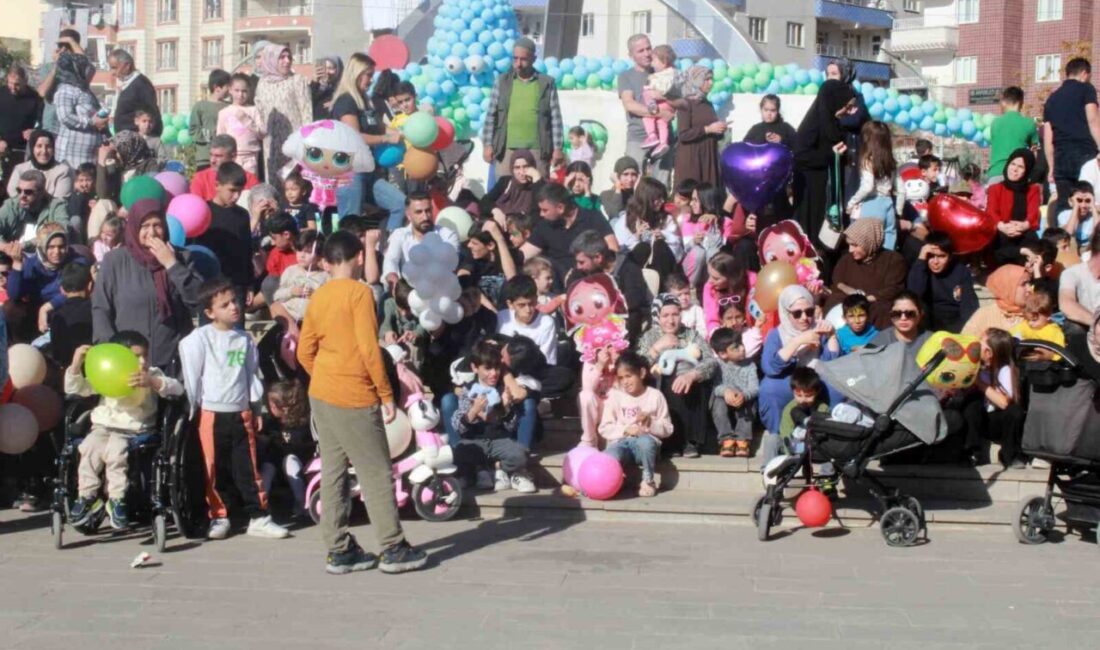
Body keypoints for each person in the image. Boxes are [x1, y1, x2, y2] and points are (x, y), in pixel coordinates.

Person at [296, 230, 428, 575]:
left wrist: (325, 375)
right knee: (376, 471)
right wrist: (385, 393)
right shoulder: (359, 293)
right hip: (354, 394)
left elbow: (304, 351)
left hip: (322, 393)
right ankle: (392, 546)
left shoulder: (319, 296)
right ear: (358, 257)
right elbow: (369, 349)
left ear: (328, 261)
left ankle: (339, 548)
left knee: (334, 470)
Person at [180, 278, 288, 540]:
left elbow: (251, 375)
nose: (233, 307)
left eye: (234, 301)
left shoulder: (244, 340)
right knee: (214, 468)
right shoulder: (200, 339)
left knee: (247, 467)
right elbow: (192, 376)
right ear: (210, 312)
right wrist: (194, 409)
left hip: (241, 412)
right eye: (224, 305)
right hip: (212, 413)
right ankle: (219, 515)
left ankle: (258, 516)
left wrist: (256, 407)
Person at [64, 332, 183, 530]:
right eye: (136, 357)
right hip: (103, 427)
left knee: (115, 452)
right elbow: (76, 389)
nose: (142, 361)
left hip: (133, 430)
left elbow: (177, 389)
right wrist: (76, 365)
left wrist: (153, 382)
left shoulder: (151, 374)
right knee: (89, 447)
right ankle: (87, 496)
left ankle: (116, 499)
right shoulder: (107, 371)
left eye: (145, 355)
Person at [92, 199, 203, 369]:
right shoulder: (115, 261)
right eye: (145, 226)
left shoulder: (181, 257)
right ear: (134, 227)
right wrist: (110, 351)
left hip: (172, 360)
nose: (152, 233)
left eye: (157, 225)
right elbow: (101, 308)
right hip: (128, 360)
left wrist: (171, 264)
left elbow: (197, 298)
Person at [330, 53, 406, 229]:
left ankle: (388, 245)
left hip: (369, 170)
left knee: (401, 204)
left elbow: (380, 127)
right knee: (351, 222)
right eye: (369, 75)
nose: (372, 80)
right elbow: (354, 136)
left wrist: (402, 133)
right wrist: (386, 139)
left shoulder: (365, 101)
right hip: (350, 171)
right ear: (356, 74)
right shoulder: (346, 101)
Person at [637, 293, 718, 458]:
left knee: (690, 377)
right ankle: (671, 442)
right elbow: (637, 368)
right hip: (660, 387)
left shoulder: (691, 335)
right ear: (657, 316)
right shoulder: (649, 336)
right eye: (665, 315)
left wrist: (692, 375)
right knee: (668, 378)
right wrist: (656, 349)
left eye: (675, 314)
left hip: (689, 390)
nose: (671, 320)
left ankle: (690, 441)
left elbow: (711, 361)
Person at [759, 285, 840, 447]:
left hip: (815, 378)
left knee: (836, 386)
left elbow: (832, 362)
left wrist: (831, 335)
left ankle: (831, 435)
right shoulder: (777, 334)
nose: (804, 318)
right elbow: (770, 367)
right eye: (797, 313)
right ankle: (780, 437)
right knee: (769, 388)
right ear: (786, 313)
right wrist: (798, 342)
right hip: (790, 379)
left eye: (809, 312)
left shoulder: (820, 327)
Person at [452, 339, 537, 493]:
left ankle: (499, 468)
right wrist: (473, 412)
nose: (494, 373)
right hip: (476, 440)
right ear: (475, 368)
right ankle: (479, 470)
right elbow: (458, 425)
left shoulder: (503, 390)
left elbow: (511, 426)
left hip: (499, 440)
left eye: (497, 368)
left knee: (520, 454)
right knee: (459, 452)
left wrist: (506, 408)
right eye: (488, 368)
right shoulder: (468, 391)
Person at [482, 37, 563, 178]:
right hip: (506, 149)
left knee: (538, 188)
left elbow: (555, 119)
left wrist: (557, 148)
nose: (518, 64)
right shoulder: (501, 82)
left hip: (537, 150)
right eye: (515, 58)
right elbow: (491, 116)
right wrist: (487, 145)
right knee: (504, 189)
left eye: (523, 59)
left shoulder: (546, 83)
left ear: (534, 59)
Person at [793, 79, 859, 252]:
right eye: (846, 106)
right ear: (834, 101)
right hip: (812, 193)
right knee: (815, 240)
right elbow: (800, 156)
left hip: (831, 191)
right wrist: (831, 154)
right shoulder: (811, 126)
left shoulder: (837, 125)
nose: (849, 111)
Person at [598, 351, 672, 496]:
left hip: (645, 447)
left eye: (629, 376)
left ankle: (648, 480)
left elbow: (668, 428)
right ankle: (614, 480)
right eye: (621, 378)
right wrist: (626, 430)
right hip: (621, 443)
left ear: (642, 373)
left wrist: (650, 423)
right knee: (610, 454)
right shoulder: (615, 396)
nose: (625, 382)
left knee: (646, 442)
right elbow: (604, 428)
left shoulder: (655, 396)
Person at [521, 183, 616, 284]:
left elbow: (613, 249)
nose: (541, 214)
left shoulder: (593, 218)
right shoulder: (545, 226)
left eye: (545, 210)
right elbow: (524, 255)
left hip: (591, 281)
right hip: (557, 285)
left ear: (560, 208)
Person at [823, 218, 907, 330]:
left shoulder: (892, 260)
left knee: (881, 310)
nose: (850, 250)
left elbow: (893, 289)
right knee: (833, 300)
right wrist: (850, 292)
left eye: (855, 245)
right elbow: (837, 281)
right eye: (849, 245)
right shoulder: (847, 260)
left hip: (875, 303)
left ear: (869, 242)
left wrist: (865, 299)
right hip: (849, 300)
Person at [5, 223, 88, 332]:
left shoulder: (76, 261)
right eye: (51, 247)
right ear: (42, 248)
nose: (57, 252)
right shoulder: (33, 265)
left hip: (65, 311)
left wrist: (47, 307)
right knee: (10, 308)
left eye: (61, 247)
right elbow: (14, 294)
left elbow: (75, 291)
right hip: (35, 314)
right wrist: (17, 263)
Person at [571, 230, 650, 345]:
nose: (578, 267)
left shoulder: (628, 269)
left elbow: (633, 303)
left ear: (598, 257)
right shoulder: (585, 271)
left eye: (582, 262)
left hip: (625, 323)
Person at [1042, 58, 1100, 213]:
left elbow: (1048, 138)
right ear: (1084, 74)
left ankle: (1063, 228)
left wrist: (1051, 166)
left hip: (1061, 157)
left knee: (1064, 204)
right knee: (1087, 202)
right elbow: (1093, 120)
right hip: (1084, 153)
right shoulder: (1087, 89)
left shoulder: (1051, 99)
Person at [196, 163, 254, 310]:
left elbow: (247, 251)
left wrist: (249, 284)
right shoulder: (203, 212)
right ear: (217, 185)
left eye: (240, 191)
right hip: (209, 287)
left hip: (236, 286)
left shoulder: (242, 215)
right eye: (232, 190)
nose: (236, 196)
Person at [963, 328, 1025, 468]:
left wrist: (980, 383)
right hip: (981, 419)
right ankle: (973, 452)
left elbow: (1003, 403)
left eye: (981, 343)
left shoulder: (1005, 371)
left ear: (989, 353)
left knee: (1014, 411)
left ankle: (1010, 455)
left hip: (998, 421)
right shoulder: (974, 366)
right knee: (972, 406)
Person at [253, 43, 313, 185]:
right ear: (271, 59)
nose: (287, 61)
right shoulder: (262, 83)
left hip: (294, 144)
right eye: (282, 57)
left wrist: (306, 143)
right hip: (271, 145)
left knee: (294, 186)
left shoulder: (298, 80)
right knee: (273, 186)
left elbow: (306, 113)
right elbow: (260, 112)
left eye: (289, 57)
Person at [618, 34, 673, 185]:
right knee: (632, 182)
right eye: (641, 51)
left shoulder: (662, 71)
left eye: (649, 48)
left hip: (663, 138)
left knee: (661, 183)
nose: (647, 53)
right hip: (638, 137)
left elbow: (677, 98)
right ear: (631, 55)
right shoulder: (626, 76)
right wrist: (660, 113)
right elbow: (629, 104)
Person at [258, 380, 316, 522]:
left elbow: (301, 447)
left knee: (290, 459)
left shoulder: (302, 424)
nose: (269, 407)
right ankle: (261, 505)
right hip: (276, 465)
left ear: (284, 408)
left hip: (299, 466)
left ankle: (302, 502)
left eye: (272, 405)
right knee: (268, 466)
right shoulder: (271, 422)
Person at [907, 231, 979, 333]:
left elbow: (968, 305)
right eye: (931, 256)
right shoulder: (920, 268)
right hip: (927, 323)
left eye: (941, 256)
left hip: (954, 322)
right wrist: (921, 259)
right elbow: (914, 294)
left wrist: (968, 331)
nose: (935, 261)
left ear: (950, 257)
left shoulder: (960, 271)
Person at [382, 192, 460, 286]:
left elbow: (449, 265)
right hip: (408, 289)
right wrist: (393, 278)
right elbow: (391, 260)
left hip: (439, 287)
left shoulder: (447, 235)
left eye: (428, 211)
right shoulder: (399, 234)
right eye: (419, 212)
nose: (425, 217)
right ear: (408, 215)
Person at [743, 94, 797, 221]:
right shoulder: (756, 129)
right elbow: (745, 148)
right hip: (759, 177)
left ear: (778, 111)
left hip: (780, 178)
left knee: (780, 208)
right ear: (761, 110)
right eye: (766, 110)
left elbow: (798, 144)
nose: (769, 114)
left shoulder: (785, 128)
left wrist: (782, 141)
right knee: (761, 211)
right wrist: (762, 142)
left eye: (773, 110)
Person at [846, 121, 899, 250]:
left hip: (871, 203)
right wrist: (899, 210)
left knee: (864, 244)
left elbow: (867, 186)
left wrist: (852, 202)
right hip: (888, 202)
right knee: (888, 241)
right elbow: (901, 188)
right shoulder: (891, 161)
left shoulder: (867, 160)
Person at [709, 327, 758, 458]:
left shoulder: (750, 365)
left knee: (750, 405)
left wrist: (744, 395)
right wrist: (726, 391)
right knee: (717, 403)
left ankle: (743, 439)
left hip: (743, 398)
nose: (742, 348)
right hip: (724, 397)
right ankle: (726, 439)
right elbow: (716, 386)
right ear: (723, 354)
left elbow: (754, 388)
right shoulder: (717, 365)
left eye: (741, 344)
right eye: (736, 347)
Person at [987, 148, 1041, 265]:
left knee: (1032, 238)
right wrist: (1003, 227)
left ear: (1027, 171)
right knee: (997, 239)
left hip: (1022, 232)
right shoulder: (995, 188)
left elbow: (1033, 213)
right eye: (1013, 164)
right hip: (1002, 231)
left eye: (1020, 167)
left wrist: (1024, 225)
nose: (1014, 169)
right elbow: (991, 211)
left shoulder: (1033, 190)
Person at [54, 49, 108, 167]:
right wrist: (92, 122)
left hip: (89, 157)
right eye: (84, 68)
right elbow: (66, 117)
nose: (87, 72)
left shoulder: (84, 90)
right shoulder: (65, 90)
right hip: (71, 157)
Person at [674, 65, 725, 189]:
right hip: (692, 158)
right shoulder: (685, 104)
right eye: (706, 79)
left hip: (708, 157)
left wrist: (720, 129)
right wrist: (708, 129)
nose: (711, 83)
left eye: (711, 79)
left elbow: (711, 129)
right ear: (696, 80)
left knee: (708, 194)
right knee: (691, 192)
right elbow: (683, 135)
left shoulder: (707, 104)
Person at [0, 65, 44, 196]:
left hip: (21, 151)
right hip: (2, 146)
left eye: (17, 84)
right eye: (10, 83)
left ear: (25, 81)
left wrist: (34, 131)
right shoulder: (1, 93)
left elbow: (40, 123)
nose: (13, 87)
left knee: (14, 187)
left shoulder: (35, 99)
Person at [273, 229, 329, 325]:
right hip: (290, 317)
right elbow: (277, 296)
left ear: (320, 256)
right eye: (299, 251)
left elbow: (329, 300)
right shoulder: (290, 271)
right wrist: (292, 291)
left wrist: (315, 295)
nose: (302, 255)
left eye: (308, 252)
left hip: (313, 322)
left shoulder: (325, 276)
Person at [497, 275, 556, 364]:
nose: (528, 310)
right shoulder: (502, 318)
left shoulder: (546, 323)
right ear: (510, 304)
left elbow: (548, 361)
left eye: (531, 303)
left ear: (536, 299)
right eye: (522, 305)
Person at [217, 73, 267, 177]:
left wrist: (247, 121)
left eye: (244, 91)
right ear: (230, 90)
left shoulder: (253, 110)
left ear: (249, 91)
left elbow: (262, 133)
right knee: (232, 183)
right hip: (231, 157)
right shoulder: (224, 112)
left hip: (250, 156)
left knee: (250, 184)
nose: (240, 95)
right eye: (237, 90)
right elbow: (220, 138)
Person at [0, 170, 69, 244]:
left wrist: (24, 245)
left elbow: (60, 232)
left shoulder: (56, 206)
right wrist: (5, 247)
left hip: (44, 250)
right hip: (10, 248)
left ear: (41, 192)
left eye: (28, 192)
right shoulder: (11, 205)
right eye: (19, 190)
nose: (22, 196)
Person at [46, 261, 93, 367]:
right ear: (90, 286)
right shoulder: (95, 310)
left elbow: (57, 354)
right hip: (94, 367)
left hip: (68, 370)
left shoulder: (57, 317)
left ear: (62, 290)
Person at [867, 292, 932, 368]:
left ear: (921, 314)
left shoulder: (933, 340)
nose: (903, 318)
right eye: (897, 314)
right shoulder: (878, 343)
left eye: (910, 313)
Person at [988, 86, 1038, 184]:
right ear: (1021, 102)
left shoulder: (995, 123)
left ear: (1004, 102)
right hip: (1017, 174)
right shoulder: (1029, 123)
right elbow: (1034, 152)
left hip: (996, 172)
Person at [479, 150, 546, 223]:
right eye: (517, 168)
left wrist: (536, 179)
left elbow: (539, 211)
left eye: (526, 166)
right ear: (512, 169)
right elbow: (485, 200)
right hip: (500, 222)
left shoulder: (538, 186)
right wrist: (496, 210)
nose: (522, 172)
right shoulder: (505, 182)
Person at [963, 264, 1029, 336]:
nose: (1029, 289)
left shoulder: (1034, 315)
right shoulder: (984, 315)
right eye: (1023, 284)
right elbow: (965, 340)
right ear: (1007, 287)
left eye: (1029, 283)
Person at [107, 49, 161, 136]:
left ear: (127, 65)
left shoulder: (142, 84)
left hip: (136, 139)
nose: (112, 72)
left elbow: (151, 113)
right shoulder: (127, 84)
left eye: (115, 68)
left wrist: (145, 137)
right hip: (125, 138)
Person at [189, 135, 260, 201]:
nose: (212, 160)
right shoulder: (200, 178)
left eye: (218, 156)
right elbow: (196, 206)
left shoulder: (249, 179)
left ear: (233, 156)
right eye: (211, 155)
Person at [641, 45, 680, 159]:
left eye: (654, 60)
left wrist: (651, 88)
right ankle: (663, 142)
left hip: (660, 103)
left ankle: (652, 135)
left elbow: (660, 88)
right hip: (669, 106)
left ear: (664, 62)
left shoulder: (662, 75)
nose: (652, 63)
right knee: (662, 122)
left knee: (647, 116)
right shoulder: (676, 73)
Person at [189, 69, 231, 171]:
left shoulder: (230, 107)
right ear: (217, 87)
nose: (230, 90)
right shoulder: (200, 106)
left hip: (225, 156)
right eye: (227, 87)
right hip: (205, 157)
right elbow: (193, 130)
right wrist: (209, 137)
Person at [702, 251, 751, 336]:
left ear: (731, 278)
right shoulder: (709, 288)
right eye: (709, 275)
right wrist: (717, 334)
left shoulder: (751, 282)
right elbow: (711, 319)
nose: (710, 281)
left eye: (716, 278)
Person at [1052, 180, 1096, 252]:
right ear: (1070, 201)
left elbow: (1098, 237)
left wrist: (1093, 207)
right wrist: (1075, 207)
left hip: (1089, 251)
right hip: (1070, 251)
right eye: (1079, 200)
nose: (1083, 205)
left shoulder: (1095, 217)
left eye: (1087, 200)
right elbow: (1067, 236)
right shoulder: (1064, 215)